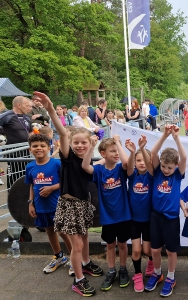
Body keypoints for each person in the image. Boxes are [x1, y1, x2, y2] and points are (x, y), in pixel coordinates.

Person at [33, 92, 103, 297]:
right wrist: (51, 110)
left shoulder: (87, 158)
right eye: (77, 143)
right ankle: (78, 280)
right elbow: (63, 133)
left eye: (84, 143)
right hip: (69, 205)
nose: (80, 146)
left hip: (83, 204)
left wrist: (92, 147)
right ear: (71, 144)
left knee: (85, 238)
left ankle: (86, 264)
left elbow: (88, 166)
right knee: (77, 245)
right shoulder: (66, 157)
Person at [82, 136, 131, 291]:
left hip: (123, 214)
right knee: (110, 244)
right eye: (112, 151)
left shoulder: (120, 170)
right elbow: (85, 166)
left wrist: (117, 142)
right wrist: (91, 147)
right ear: (103, 153)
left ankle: (123, 269)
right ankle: (111, 271)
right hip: (107, 216)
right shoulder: (99, 171)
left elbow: (126, 163)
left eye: (117, 150)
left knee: (122, 244)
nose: (116, 153)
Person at [144, 124, 186, 297]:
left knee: (171, 250)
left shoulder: (177, 174)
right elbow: (153, 154)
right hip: (155, 217)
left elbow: (183, 156)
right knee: (155, 250)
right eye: (163, 166)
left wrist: (176, 137)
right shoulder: (157, 173)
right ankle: (157, 273)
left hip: (171, 218)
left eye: (169, 167)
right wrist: (164, 135)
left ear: (176, 166)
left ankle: (170, 277)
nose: (166, 170)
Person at [25, 133, 72, 274]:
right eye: (35, 146)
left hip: (58, 205)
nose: (39, 148)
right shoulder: (30, 167)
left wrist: (52, 188)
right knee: (49, 232)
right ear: (30, 149)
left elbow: (66, 182)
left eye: (42, 145)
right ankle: (59, 256)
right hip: (41, 207)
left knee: (64, 232)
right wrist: (30, 203)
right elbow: (32, 185)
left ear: (49, 148)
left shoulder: (56, 164)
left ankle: (74, 259)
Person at [125, 136, 154, 293]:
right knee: (136, 250)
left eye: (144, 160)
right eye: (138, 160)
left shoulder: (150, 176)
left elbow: (150, 165)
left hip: (149, 220)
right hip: (134, 220)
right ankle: (137, 274)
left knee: (147, 250)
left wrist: (142, 148)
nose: (142, 163)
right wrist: (133, 152)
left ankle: (151, 262)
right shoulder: (133, 175)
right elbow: (129, 167)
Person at [0, 96, 33, 190]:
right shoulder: (6, 116)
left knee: (25, 174)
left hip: (27, 151)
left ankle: (24, 197)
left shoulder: (27, 117)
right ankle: (12, 196)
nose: (29, 108)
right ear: (19, 105)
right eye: (27, 106)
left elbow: (30, 132)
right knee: (14, 175)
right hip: (13, 152)